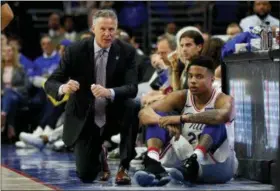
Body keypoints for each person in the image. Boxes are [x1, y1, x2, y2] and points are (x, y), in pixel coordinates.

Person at [44, 9, 139, 185]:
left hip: (113, 113)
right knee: (86, 176)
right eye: (103, 29)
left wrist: (109, 92)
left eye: (112, 29)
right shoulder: (75, 50)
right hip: (85, 116)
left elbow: (132, 88)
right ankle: (99, 152)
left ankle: (123, 167)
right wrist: (64, 87)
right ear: (92, 28)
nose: (107, 34)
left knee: (132, 105)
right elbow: (51, 82)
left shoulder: (127, 51)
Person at [135, 56, 238, 186]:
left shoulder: (223, 99)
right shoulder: (181, 96)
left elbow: (224, 116)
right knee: (156, 117)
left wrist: (181, 118)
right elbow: (144, 113)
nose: (193, 81)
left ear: (212, 79)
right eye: (190, 76)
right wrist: (164, 121)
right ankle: (153, 162)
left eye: (199, 77)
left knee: (215, 120)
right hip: (185, 158)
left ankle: (192, 161)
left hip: (216, 164)